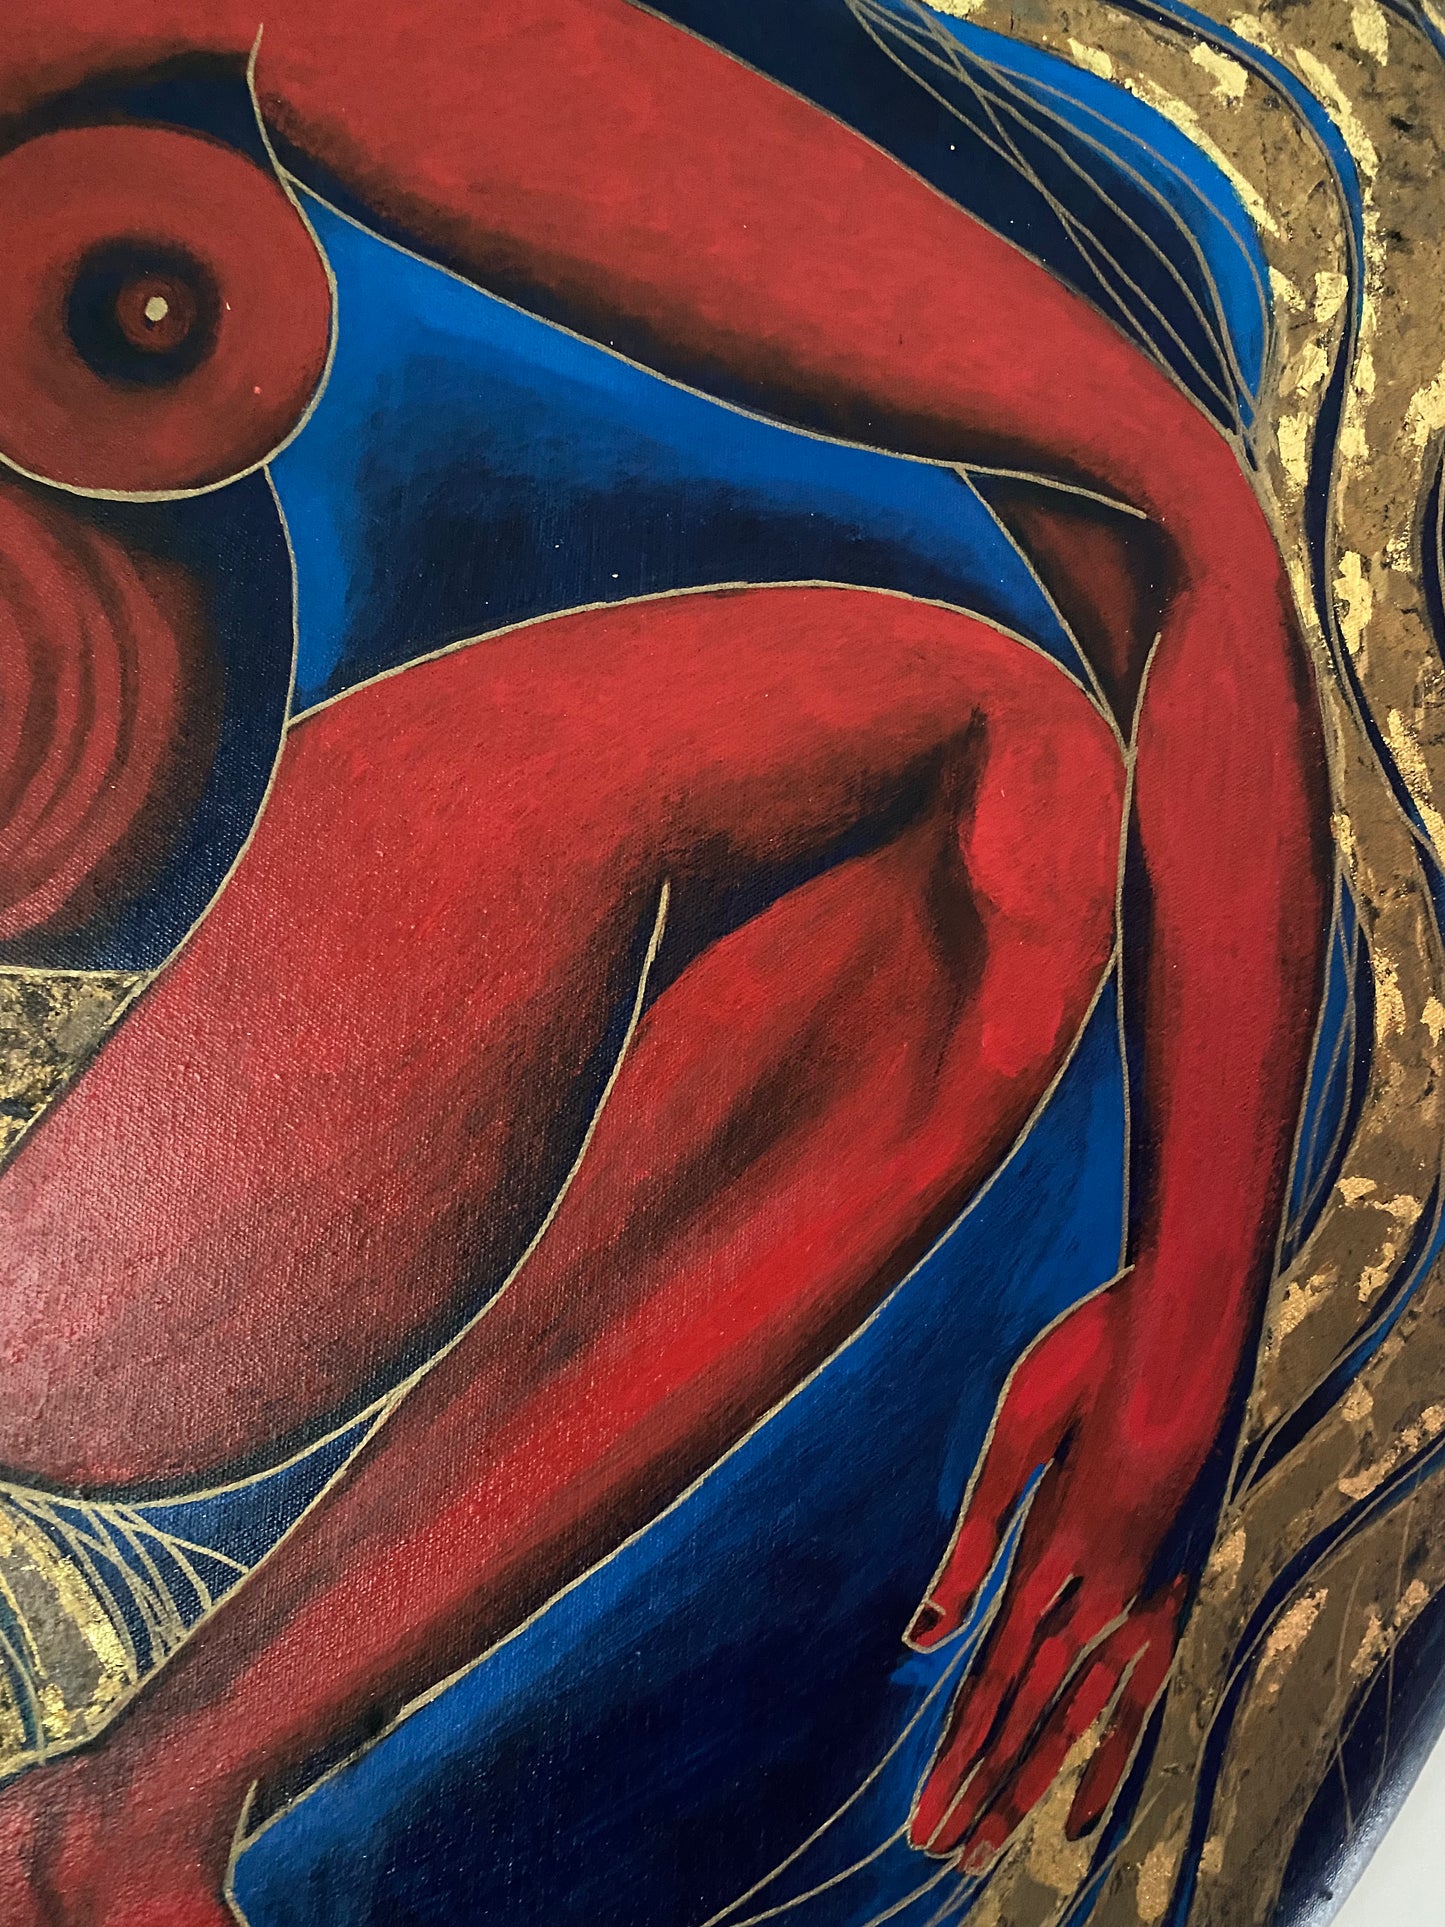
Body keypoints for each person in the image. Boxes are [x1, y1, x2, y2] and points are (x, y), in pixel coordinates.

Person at [0, 1, 1330, 1919]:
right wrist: (1179, 1364)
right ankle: (131, 1811)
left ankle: (135, 1808)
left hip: (129, 1233)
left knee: (1003, 777)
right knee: (1002, 754)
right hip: (114, 1237)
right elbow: (1181, 520)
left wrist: (1184, 1351)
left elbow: (1177, 524)